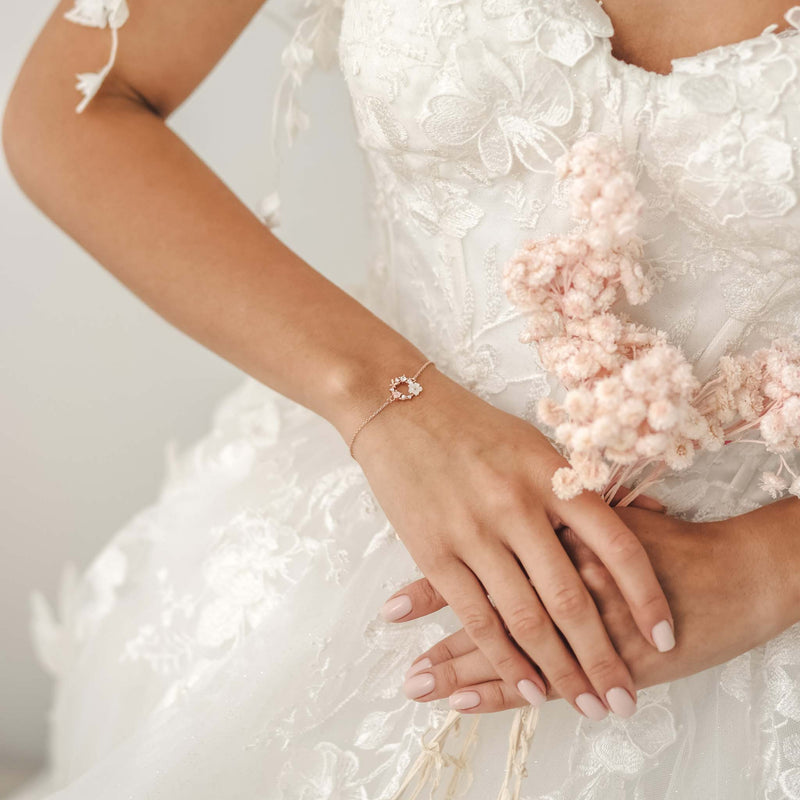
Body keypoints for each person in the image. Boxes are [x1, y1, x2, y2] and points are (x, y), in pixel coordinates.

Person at [3, 0, 800, 796]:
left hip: (736, 628)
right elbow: (79, 103)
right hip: (349, 540)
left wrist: (766, 570)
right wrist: (384, 399)